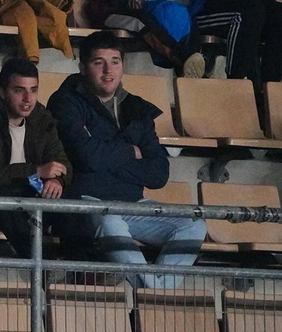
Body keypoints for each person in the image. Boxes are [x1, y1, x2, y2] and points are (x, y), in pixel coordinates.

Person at [48, 31, 206, 288]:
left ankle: (155, 287)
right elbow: (86, 157)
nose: (108, 70)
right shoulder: (66, 102)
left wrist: (105, 159)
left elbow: (158, 173)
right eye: (99, 62)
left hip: (133, 204)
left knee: (194, 225)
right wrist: (131, 152)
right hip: (89, 205)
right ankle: (155, 293)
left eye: (115, 61)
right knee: (112, 222)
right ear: (83, 67)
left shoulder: (137, 108)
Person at [0, 58, 71, 255]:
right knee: (3, 198)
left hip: (30, 195)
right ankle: (42, 270)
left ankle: (82, 273)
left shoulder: (42, 118)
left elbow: (62, 161)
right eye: (19, 90)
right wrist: (35, 170)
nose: (28, 98)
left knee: (74, 200)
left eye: (33, 90)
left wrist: (57, 180)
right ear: (2, 92)